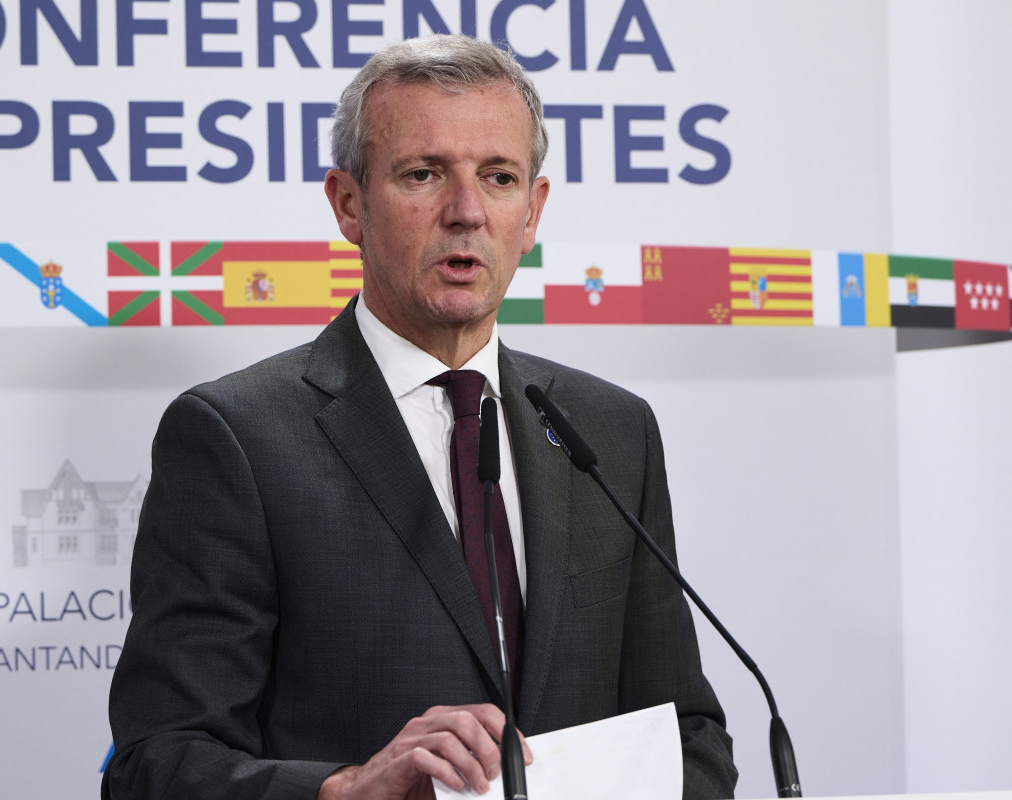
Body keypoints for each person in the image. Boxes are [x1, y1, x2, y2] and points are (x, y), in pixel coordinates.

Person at [104, 34, 737, 800]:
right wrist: (346, 788)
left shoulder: (608, 430)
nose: (466, 212)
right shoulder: (238, 435)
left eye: (498, 178)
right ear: (349, 204)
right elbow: (159, 762)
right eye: (423, 174)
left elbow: (686, 736)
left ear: (531, 212)